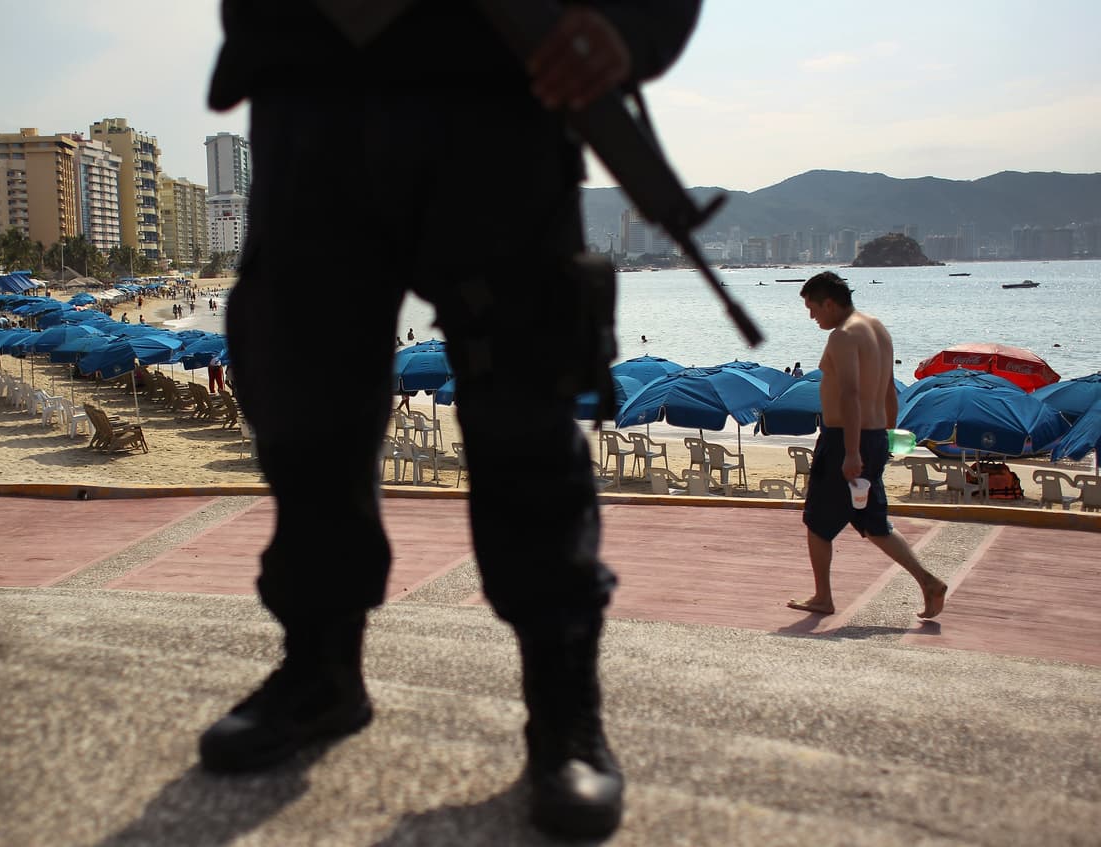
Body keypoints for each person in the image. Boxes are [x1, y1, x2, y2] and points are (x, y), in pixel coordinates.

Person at [201, 3, 703, 841]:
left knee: (527, 405)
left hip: (501, 70)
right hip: (309, 72)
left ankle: (562, 707)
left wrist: (631, 21)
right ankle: (320, 669)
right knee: (301, 391)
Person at [790, 271, 947, 619]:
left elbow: (850, 393)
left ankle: (822, 597)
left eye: (812, 308)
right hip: (874, 436)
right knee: (874, 522)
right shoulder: (877, 328)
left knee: (817, 521)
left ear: (829, 303)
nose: (812, 316)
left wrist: (850, 451)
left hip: (846, 438)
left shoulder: (844, 336)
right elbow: (889, 388)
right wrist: (888, 434)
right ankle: (928, 581)